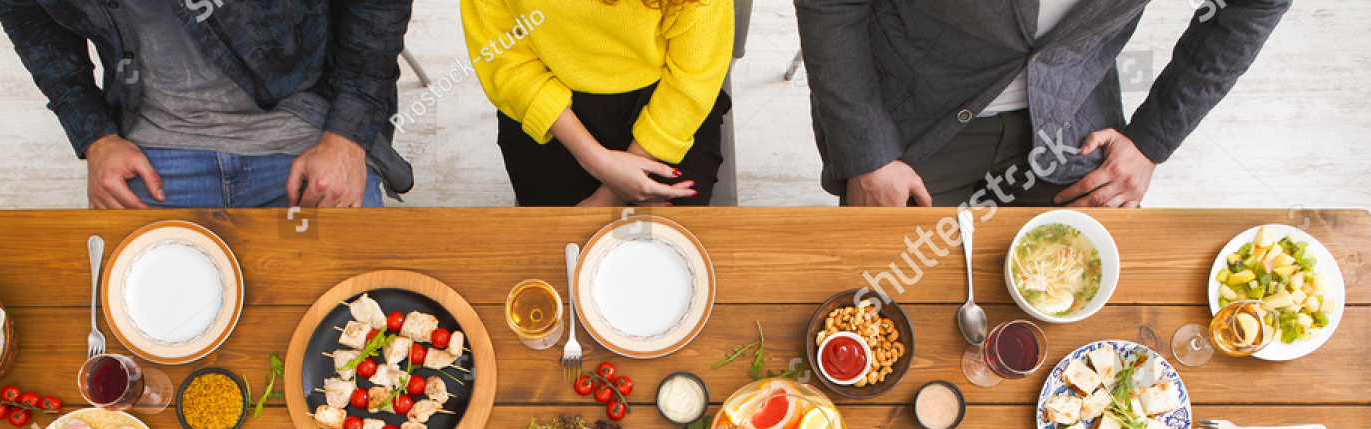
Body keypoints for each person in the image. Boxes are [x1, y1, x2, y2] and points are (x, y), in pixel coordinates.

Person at [792, 0, 1291, 207]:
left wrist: (1152, 140)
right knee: (885, 299)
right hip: (911, 117)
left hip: (1073, 118)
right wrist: (867, 153)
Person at [0, 0, 413, 209]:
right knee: (145, 352)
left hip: (307, 132)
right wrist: (96, 138)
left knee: (353, 341)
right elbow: (37, 33)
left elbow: (376, 11)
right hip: (154, 153)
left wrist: (346, 138)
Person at [461, 0, 734, 206]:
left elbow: (695, 77)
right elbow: (503, 58)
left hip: (667, 110)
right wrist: (597, 161)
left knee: (662, 256)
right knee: (562, 259)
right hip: (552, 113)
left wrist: (608, 196)